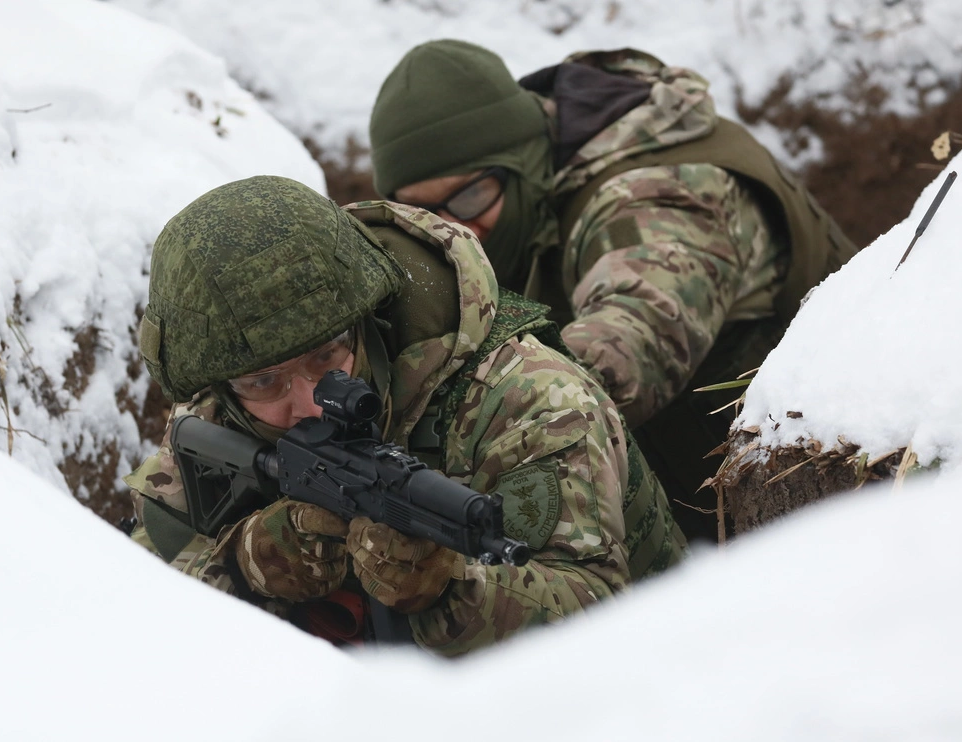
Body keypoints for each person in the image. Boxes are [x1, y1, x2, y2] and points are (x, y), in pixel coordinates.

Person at [124, 175, 685, 656]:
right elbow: (122, 601)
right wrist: (247, 564)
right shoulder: (223, 404)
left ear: (370, 320)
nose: (306, 401)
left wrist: (453, 591)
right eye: (264, 381)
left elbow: (609, 627)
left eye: (326, 355)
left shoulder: (530, 399)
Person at [368, 40, 860, 542]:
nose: (456, 230)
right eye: (426, 215)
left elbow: (632, 336)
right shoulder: (527, 198)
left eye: (471, 196)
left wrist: (475, 426)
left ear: (517, 160)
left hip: (844, 492)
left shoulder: (656, 195)